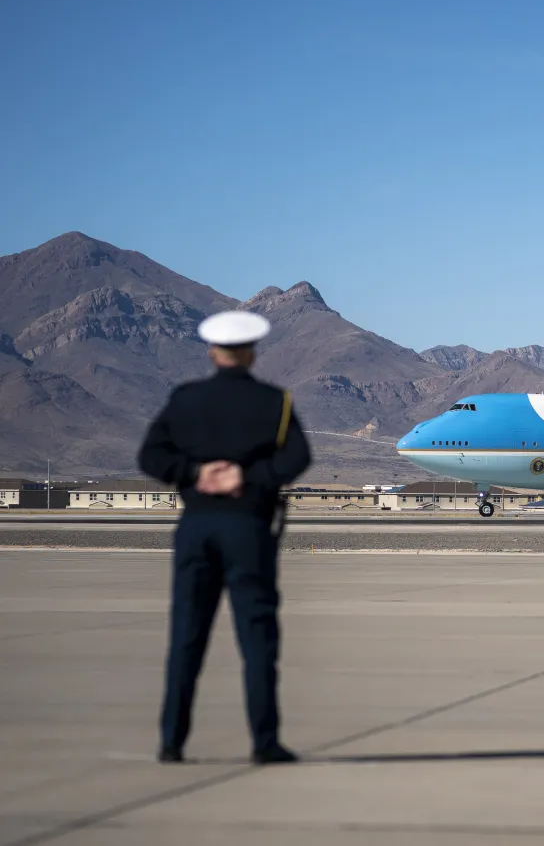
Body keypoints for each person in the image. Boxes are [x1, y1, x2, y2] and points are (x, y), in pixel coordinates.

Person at [137, 309, 312, 765]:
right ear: (252, 353)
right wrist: (248, 476)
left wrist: (195, 472)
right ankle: (265, 742)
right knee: (256, 639)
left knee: (186, 637)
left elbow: (150, 457)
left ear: (212, 351)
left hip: (196, 527)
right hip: (248, 528)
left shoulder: (184, 399)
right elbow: (296, 460)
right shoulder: (276, 402)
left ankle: (171, 741)